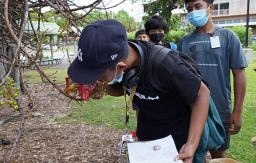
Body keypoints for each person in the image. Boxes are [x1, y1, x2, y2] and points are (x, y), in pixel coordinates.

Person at [68, 19, 210, 162]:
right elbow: (127, 88)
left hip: (176, 141)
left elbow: (202, 94)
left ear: (122, 67)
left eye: (98, 75)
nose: (96, 79)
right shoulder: (122, 53)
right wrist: (102, 88)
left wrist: (191, 144)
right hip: (147, 135)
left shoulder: (167, 65)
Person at [177, 0, 248, 159]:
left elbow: (239, 74)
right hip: (190, 110)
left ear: (210, 8)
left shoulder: (228, 37)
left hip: (220, 110)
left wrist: (237, 111)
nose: (193, 12)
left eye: (198, 7)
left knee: (219, 157)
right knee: (191, 155)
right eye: (189, 9)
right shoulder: (184, 42)